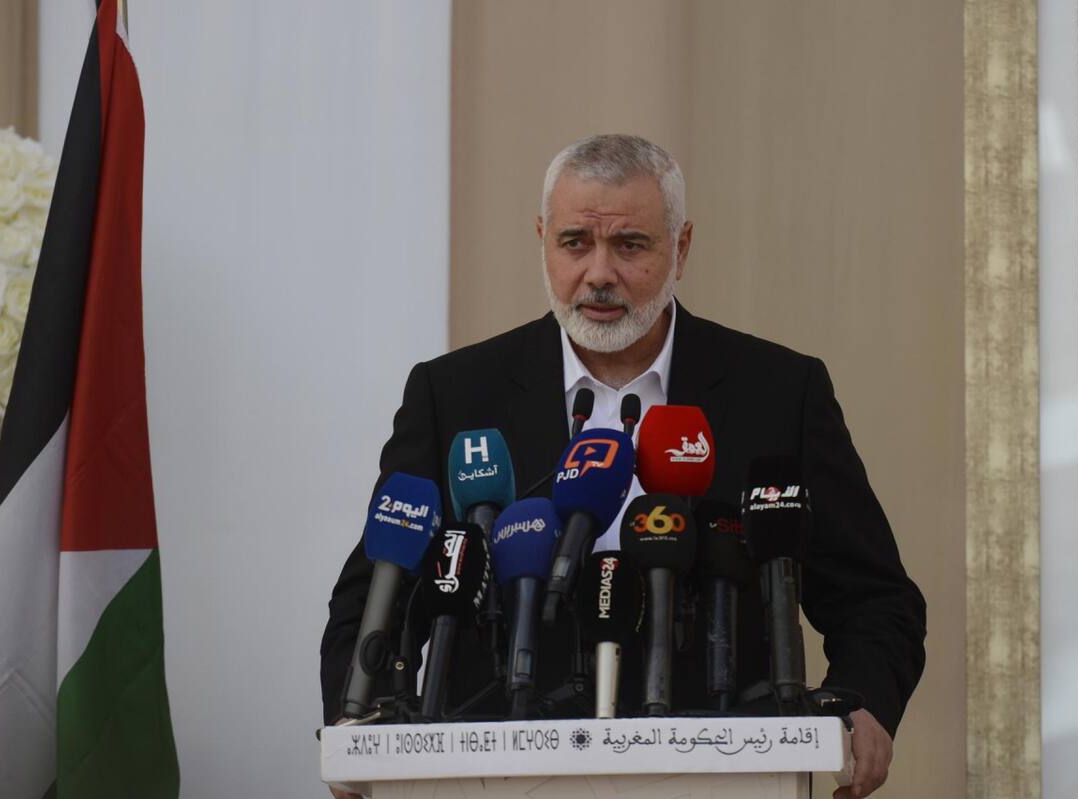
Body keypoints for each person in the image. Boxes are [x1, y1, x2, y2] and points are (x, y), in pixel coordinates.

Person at [321, 134, 926, 799]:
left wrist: (864, 705)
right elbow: (376, 593)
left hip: (725, 769)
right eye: (575, 242)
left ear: (682, 248)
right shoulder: (455, 394)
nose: (600, 273)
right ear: (543, 240)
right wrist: (357, 722)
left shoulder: (778, 392)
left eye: (631, 245)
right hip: (493, 771)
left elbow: (874, 599)